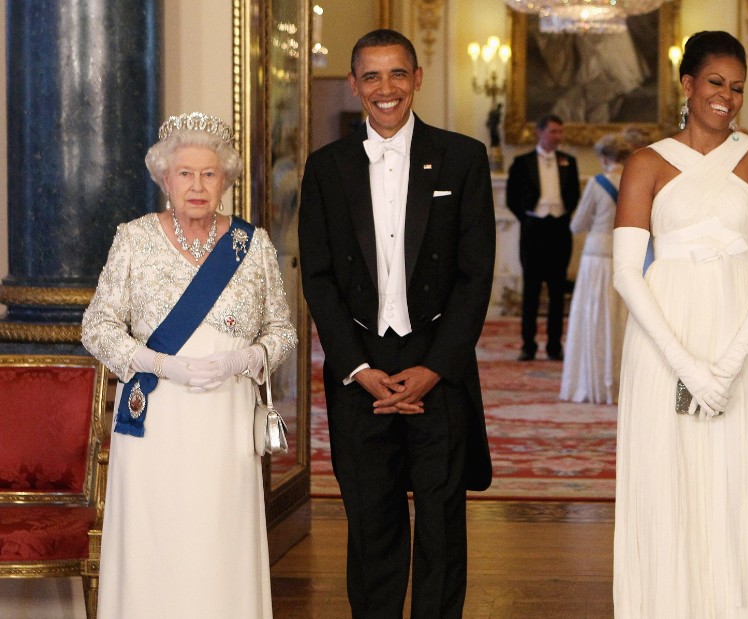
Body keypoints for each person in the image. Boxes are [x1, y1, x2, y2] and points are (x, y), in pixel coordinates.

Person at [298, 29, 495, 618]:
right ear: (356, 84)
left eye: (398, 74)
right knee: (371, 524)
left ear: (416, 79)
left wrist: (435, 367)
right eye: (373, 76)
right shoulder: (326, 167)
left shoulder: (463, 158)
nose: (387, 89)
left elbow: (475, 276)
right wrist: (357, 368)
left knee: (440, 525)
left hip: (438, 366)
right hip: (359, 368)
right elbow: (319, 278)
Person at [81, 111, 297, 618]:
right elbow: (97, 326)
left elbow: (282, 330)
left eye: (208, 174)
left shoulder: (254, 244)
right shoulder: (134, 239)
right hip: (157, 417)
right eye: (185, 173)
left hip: (224, 417)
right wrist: (156, 362)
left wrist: (251, 356)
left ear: (225, 180)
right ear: (164, 178)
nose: (196, 186)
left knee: (217, 536)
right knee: (158, 536)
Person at [612, 31, 748, 617]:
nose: (727, 97)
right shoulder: (646, 163)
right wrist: (690, 368)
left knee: (737, 483)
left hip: (741, 335)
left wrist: (726, 367)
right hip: (664, 340)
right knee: (667, 484)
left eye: (738, 87)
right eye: (716, 83)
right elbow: (625, 274)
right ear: (688, 85)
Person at [559, 132, 632, 404]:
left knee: (594, 318)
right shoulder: (635, 180)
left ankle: (593, 382)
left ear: (603, 157)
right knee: (620, 318)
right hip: (625, 254)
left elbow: (577, 224)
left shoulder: (597, 182)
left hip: (596, 256)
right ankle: (621, 382)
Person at [506, 114, 580, 361]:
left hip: (559, 229)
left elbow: (574, 195)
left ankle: (553, 346)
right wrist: (529, 217)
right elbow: (511, 198)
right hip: (533, 230)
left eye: (560, 132)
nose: (557, 136)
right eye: (553, 131)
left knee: (557, 291)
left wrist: (563, 215)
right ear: (539, 132)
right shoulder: (522, 162)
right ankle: (528, 345)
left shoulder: (568, 161)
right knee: (531, 290)